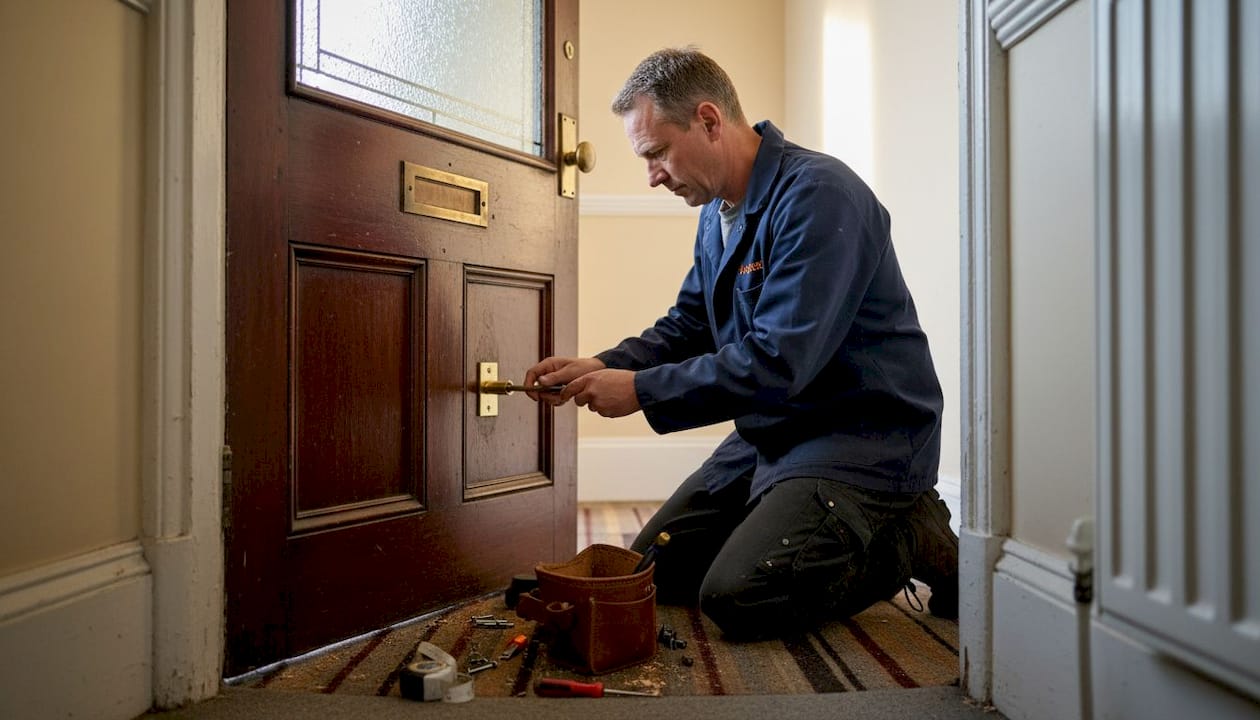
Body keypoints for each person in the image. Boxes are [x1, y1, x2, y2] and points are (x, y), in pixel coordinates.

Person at [524, 47, 958, 640]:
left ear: (708, 121)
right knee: (655, 573)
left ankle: (912, 533)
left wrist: (642, 391)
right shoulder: (717, 211)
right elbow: (689, 324)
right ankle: (796, 521)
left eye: (656, 154)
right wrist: (601, 364)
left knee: (737, 597)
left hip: (860, 436)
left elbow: (779, 361)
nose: (651, 175)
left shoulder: (820, 195)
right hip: (773, 430)